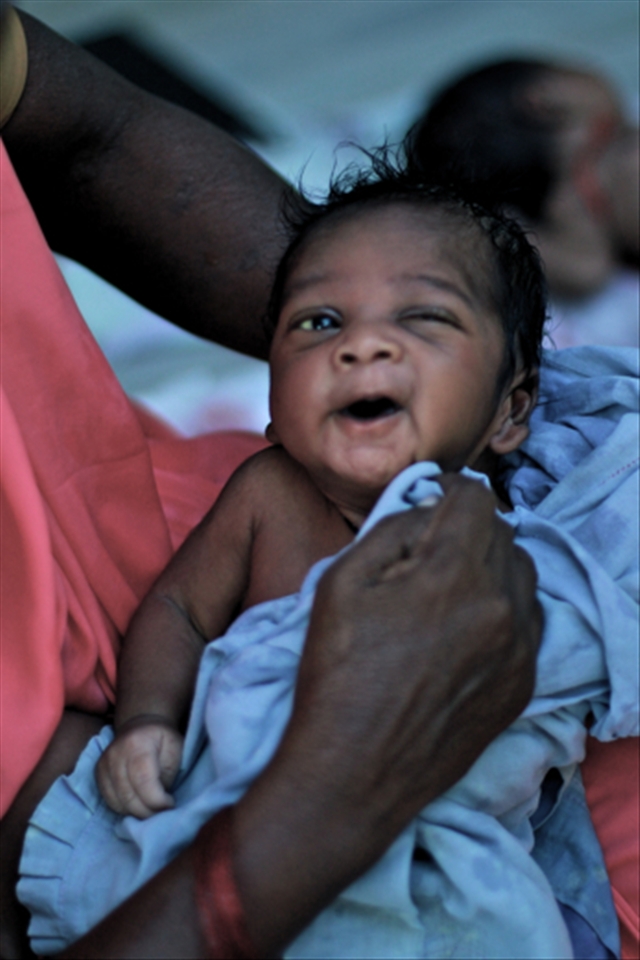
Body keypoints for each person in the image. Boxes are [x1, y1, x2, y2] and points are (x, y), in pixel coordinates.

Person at [1, 8, 545, 959]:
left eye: (423, 319)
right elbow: (178, 611)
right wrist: (147, 725)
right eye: (318, 324)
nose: (362, 346)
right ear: (272, 394)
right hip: (227, 825)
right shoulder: (267, 492)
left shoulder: (522, 518)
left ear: (511, 412)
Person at [408, 57, 639, 349]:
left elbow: (586, 270)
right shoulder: (615, 156)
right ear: (543, 101)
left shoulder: (566, 208)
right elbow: (584, 272)